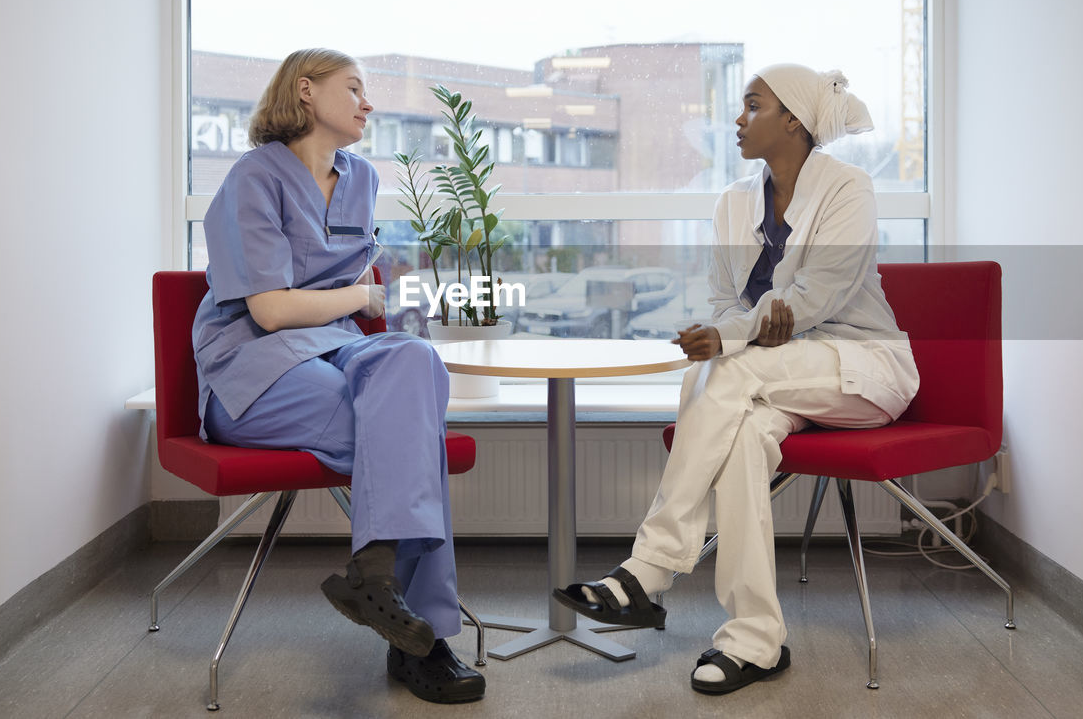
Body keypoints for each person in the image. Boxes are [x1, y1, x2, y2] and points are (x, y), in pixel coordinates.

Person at [555, 63, 919, 695]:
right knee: (745, 434)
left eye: (753, 106)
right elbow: (727, 302)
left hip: (859, 368)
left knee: (730, 363)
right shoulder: (732, 204)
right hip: (772, 378)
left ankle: (649, 569)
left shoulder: (848, 188)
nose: (738, 119)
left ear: (795, 121)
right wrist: (729, 332)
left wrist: (733, 337)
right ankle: (755, 640)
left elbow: (820, 293)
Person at [191, 48, 484, 704]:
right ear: (305, 92)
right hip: (251, 370)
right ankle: (426, 641)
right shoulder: (252, 180)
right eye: (353, 88)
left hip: (331, 347)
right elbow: (270, 311)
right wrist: (363, 299)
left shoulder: (361, 178)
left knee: (414, 360)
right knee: (410, 435)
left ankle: (373, 577)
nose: (367, 103)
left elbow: (354, 281)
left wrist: (376, 303)